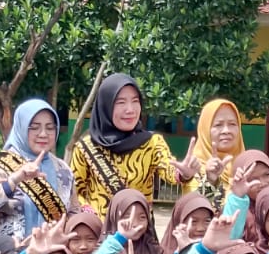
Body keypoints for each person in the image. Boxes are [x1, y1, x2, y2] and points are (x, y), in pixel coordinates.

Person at [66, 73, 194, 215]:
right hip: (99, 233)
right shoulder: (86, 147)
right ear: (105, 106)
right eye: (121, 102)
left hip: (140, 232)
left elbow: (170, 170)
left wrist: (184, 174)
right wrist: (89, 212)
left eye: (135, 101)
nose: (130, 109)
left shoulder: (151, 142)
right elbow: (75, 191)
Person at [0, 98, 73, 240]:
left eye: (50, 127)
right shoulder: (1, 165)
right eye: (34, 127)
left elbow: (73, 212)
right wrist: (14, 180)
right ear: (21, 127)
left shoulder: (63, 169)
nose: (43, 134)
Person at [182, 98, 247, 205]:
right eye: (218, 125)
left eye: (232, 124)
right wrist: (210, 180)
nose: (226, 131)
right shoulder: (194, 168)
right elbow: (195, 209)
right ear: (205, 129)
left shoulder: (248, 167)